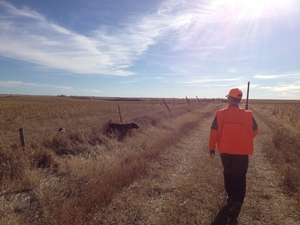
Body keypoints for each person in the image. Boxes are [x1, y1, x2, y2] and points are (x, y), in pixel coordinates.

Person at [209, 88, 258, 225]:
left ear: (230, 99)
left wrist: (212, 147)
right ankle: (237, 201)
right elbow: (254, 132)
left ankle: (231, 199)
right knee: (240, 177)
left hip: (225, 151)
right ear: (240, 100)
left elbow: (214, 132)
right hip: (242, 152)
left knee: (228, 174)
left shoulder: (220, 114)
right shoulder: (248, 115)